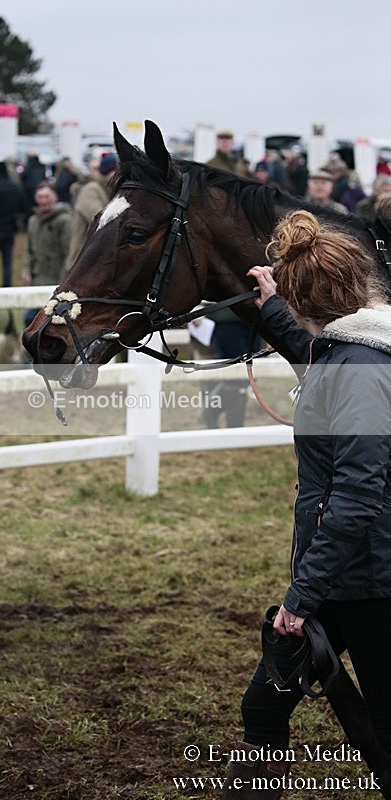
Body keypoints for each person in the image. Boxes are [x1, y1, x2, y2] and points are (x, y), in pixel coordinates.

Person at [221, 209, 391, 798]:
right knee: (264, 704)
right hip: (341, 574)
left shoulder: (361, 369)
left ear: (307, 302)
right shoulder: (349, 351)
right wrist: (273, 304)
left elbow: (358, 497)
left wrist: (301, 596)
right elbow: (313, 351)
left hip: (373, 581)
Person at [22, 183, 72, 325]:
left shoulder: (64, 221)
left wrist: (64, 280)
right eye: (40, 197)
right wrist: (26, 268)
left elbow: (68, 252)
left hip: (56, 280)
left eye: (47, 196)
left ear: (55, 198)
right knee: (29, 319)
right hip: (37, 279)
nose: (43, 200)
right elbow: (29, 249)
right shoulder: (33, 221)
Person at [65, 153, 117, 269]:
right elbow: (102, 221)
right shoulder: (91, 190)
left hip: (96, 261)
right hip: (82, 262)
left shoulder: (109, 190)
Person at [0, 161, 24, 287]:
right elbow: (22, 207)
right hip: (10, 228)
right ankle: (7, 285)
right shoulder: (16, 188)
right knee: (7, 261)